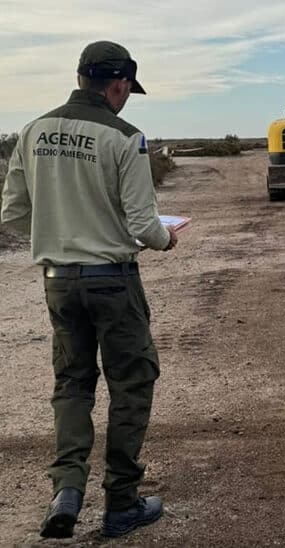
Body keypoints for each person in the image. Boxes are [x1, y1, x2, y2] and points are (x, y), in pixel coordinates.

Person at [0, 41, 177, 539]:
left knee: (73, 383)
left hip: (59, 281)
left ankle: (67, 489)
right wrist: (166, 239)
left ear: (81, 78)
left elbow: (13, 214)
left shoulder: (32, 131)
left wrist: (60, 232)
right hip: (112, 281)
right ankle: (121, 501)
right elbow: (144, 225)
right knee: (131, 384)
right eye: (128, 89)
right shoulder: (125, 137)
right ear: (118, 84)